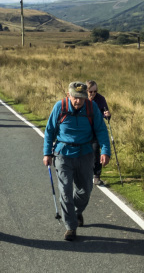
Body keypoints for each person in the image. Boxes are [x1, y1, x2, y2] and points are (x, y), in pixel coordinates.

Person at [42, 82, 110, 241]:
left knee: (85, 191)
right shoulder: (60, 107)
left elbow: (101, 130)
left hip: (85, 154)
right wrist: (47, 153)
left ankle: (75, 211)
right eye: (75, 97)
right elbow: (50, 130)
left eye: (81, 98)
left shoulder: (91, 108)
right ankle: (71, 227)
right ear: (68, 95)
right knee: (65, 191)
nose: (78, 101)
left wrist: (105, 151)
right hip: (63, 154)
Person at [86, 80, 111, 186]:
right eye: (90, 91)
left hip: (96, 129)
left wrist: (107, 115)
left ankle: (97, 175)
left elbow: (105, 113)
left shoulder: (100, 99)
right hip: (83, 130)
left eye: (95, 91)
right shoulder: (81, 99)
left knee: (96, 150)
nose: (93, 94)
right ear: (86, 91)